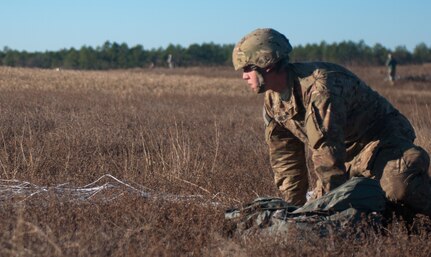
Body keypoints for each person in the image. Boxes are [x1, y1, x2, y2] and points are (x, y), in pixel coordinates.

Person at [232, 28, 431, 216]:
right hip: (346, 158)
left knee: (397, 185)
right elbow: (285, 158)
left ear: (267, 63)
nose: (243, 76)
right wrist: (295, 209)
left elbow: (327, 152)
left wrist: (329, 210)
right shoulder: (272, 102)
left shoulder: (320, 88)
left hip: (380, 143)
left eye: (248, 68)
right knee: (319, 210)